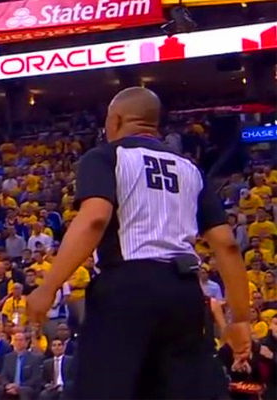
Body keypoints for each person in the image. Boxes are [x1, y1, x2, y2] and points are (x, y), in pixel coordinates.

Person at [27, 86, 252, 399]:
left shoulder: (106, 156)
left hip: (126, 288)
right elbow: (227, 245)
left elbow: (95, 219)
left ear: (115, 121)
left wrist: (49, 286)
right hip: (185, 292)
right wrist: (240, 319)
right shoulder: (190, 169)